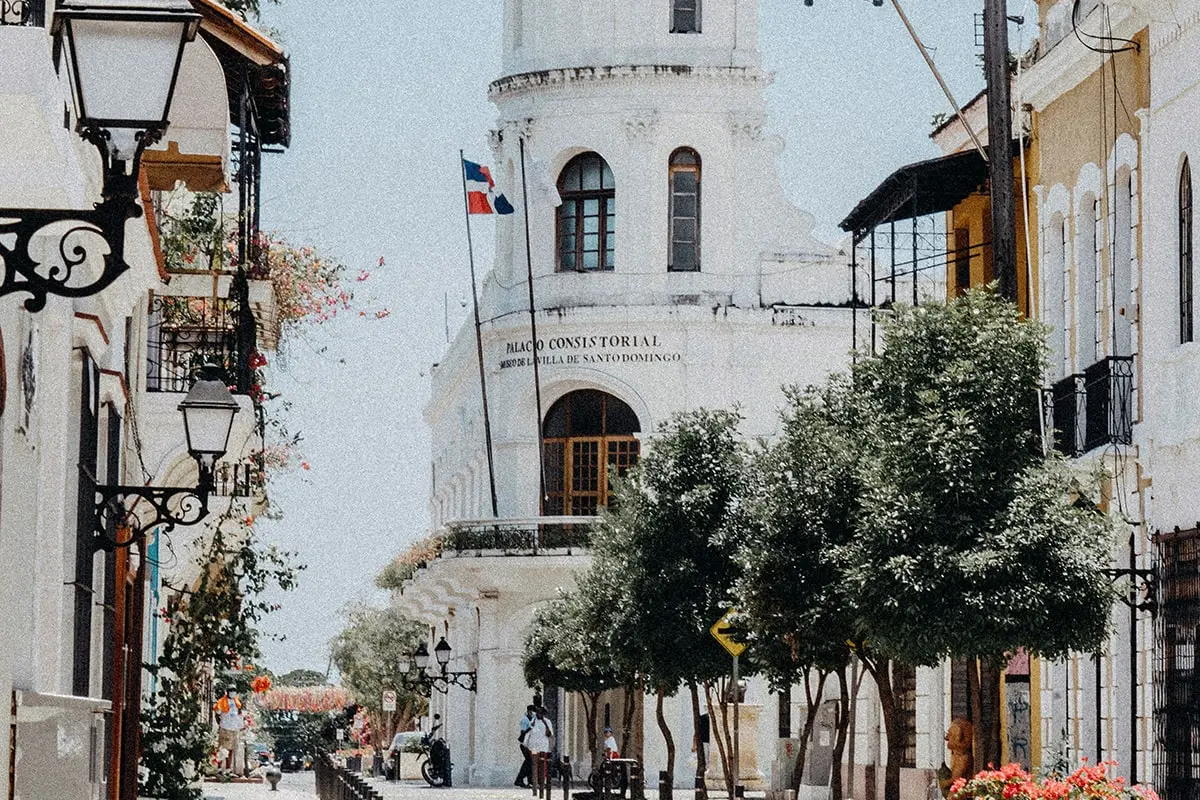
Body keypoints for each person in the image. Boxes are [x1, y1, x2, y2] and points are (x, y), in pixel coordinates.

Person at [213, 688, 245, 774]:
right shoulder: (222, 702)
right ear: (227, 692)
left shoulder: (237, 702)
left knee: (231, 749)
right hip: (225, 728)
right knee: (222, 748)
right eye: (231, 691)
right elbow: (217, 712)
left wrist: (240, 725)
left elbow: (239, 714)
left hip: (234, 729)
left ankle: (228, 768)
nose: (232, 693)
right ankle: (219, 768)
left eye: (234, 691)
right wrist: (220, 723)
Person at [524, 706, 554, 794]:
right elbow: (528, 732)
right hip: (533, 746)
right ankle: (534, 782)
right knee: (534, 764)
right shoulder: (532, 721)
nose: (538, 714)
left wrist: (545, 724)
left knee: (543, 765)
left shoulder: (547, 722)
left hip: (543, 747)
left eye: (540, 713)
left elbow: (550, 734)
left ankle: (542, 781)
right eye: (537, 712)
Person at [515, 704, 536, 787]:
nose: (532, 713)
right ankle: (520, 779)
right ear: (528, 711)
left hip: (531, 744)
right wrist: (530, 727)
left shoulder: (533, 718)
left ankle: (528, 780)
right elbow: (523, 732)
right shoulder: (524, 720)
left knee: (530, 762)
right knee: (529, 761)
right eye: (531, 711)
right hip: (525, 744)